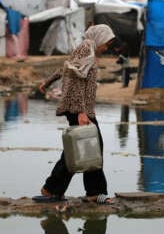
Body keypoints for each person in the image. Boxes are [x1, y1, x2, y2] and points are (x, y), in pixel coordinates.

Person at [36, 24, 115, 205]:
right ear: (99, 38)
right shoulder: (86, 49)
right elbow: (76, 80)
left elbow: (67, 69)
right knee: (92, 148)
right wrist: (81, 112)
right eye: (106, 43)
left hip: (81, 108)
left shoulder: (87, 49)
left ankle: (53, 189)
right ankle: (94, 192)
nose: (106, 47)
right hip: (78, 109)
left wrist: (48, 81)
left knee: (80, 150)